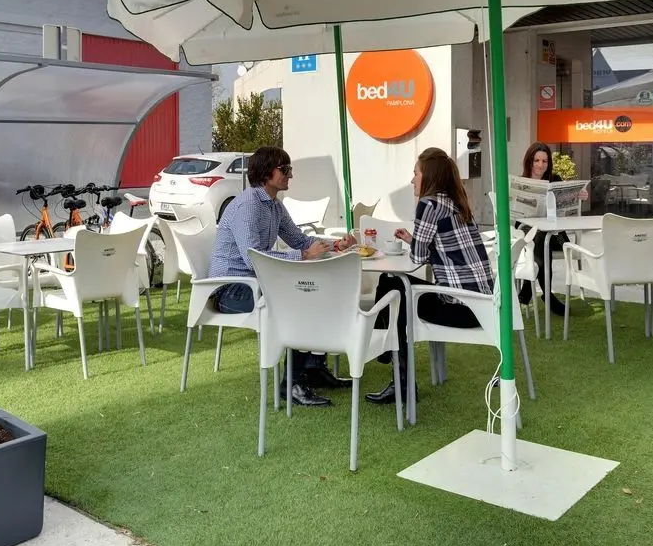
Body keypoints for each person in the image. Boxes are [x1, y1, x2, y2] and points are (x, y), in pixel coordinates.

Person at [208, 145, 357, 408]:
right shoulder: (248, 206)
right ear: (267, 172)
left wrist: (335, 245)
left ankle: (312, 368)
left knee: (313, 292)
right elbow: (253, 258)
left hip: (257, 283)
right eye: (285, 169)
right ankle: (292, 384)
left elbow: (299, 239)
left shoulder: (273, 205)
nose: (291, 175)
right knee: (300, 300)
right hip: (231, 289)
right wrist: (303, 256)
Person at [365, 147, 493, 406]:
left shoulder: (429, 204)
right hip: (482, 305)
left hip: (461, 307)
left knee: (394, 289)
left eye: (416, 173)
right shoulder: (454, 202)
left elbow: (417, 258)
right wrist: (414, 240)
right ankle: (389, 353)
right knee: (393, 284)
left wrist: (415, 244)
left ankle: (390, 357)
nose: (412, 180)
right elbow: (442, 253)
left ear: (429, 176)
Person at [515, 142, 587, 316]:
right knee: (539, 240)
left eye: (544, 161)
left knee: (542, 240)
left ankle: (527, 288)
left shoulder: (555, 180)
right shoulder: (521, 182)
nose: (540, 165)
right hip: (529, 234)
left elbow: (566, 204)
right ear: (529, 161)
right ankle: (548, 296)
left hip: (557, 236)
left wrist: (579, 196)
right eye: (536, 160)